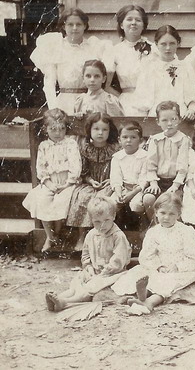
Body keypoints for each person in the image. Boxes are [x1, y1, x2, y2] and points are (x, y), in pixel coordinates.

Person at [112, 192, 195, 315]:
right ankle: (142, 295)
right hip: (159, 266)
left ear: (179, 214)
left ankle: (150, 302)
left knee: (167, 283)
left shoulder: (186, 232)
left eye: (171, 214)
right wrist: (158, 266)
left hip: (181, 269)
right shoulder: (153, 233)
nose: (166, 217)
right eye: (163, 213)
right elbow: (147, 255)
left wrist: (177, 267)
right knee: (138, 274)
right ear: (156, 212)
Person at [45, 198, 131, 312]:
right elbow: (85, 255)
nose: (102, 225)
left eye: (106, 220)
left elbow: (119, 259)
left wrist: (105, 272)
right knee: (77, 285)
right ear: (91, 220)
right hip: (94, 271)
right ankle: (58, 298)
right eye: (97, 222)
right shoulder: (91, 234)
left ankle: (65, 303)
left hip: (112, 274)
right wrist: (88, 267)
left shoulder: (118, 236)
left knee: (89, 290)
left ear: (114, 216)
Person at [30, 7, 110, 114]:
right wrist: (53, 109)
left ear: (85, 26)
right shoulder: (56, 47)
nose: (74, 28)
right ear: (63, 26)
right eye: (70, 24)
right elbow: (49, 82)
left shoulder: (93, 46)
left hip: (89, 99)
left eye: (79, 24)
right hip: (65, 101)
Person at [22, 109, 81, 252]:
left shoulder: (71, 144)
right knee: (40, 199)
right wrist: (48, 182)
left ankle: (58, 231)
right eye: (53, 129)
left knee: (61, 201)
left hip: (67, 182)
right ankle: (50, 236)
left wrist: (68, 183)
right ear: (46, 129)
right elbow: (40, 167)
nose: (58, 133)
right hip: (50, 181)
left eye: (62, 129)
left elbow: (76, 164)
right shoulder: (44, 146)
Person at [61, 113, 119, 251]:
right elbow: (83, 171)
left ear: (110, 131)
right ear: (89, 130)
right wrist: (90, 180)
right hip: (89, 183)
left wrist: (111, 180)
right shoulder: (85, 148)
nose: (100, 133)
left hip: (109, 183)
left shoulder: (115, 148)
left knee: (102, 200)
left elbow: (119, 169)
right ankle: (82, 236)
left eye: (105, 129)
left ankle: (102, 236)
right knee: (83, 197)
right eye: (96, 129)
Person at [136, 25, 195, 120]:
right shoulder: (149, 68)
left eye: (172, 43)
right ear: (156, 44)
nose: (168, 48)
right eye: (163, 44)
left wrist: (192, 110)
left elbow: (194, 94)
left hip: (181, 116)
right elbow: (142, 99)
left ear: (178, 43)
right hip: (156, 117)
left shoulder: (185, 67)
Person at [104, 5, 155, 116]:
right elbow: (106, 85)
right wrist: (123, 98)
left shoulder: (154, 49)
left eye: (138, 20)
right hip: (128, 102)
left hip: (154, 100)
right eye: (129, 19)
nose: (133, 23)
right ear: (121, 25)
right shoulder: (114, 51)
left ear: (143, 25)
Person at [141, 101, 191, 214]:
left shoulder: (183, 140)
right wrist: (153, 183)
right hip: (158, 180)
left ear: (179, 119)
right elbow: (151, 165)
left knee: (173, 201)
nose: (169, 124)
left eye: (173, 119)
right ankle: (154, 225)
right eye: (164, 120)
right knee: (148, 198)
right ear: (158, 122)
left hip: (177, 182)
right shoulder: (155, 140)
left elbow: (183, 167)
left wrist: (175, 185)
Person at [109, 120, 149, 231]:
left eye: (133, 137)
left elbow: (144, 179)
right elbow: (116, 177)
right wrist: (118, 192)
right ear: (119, 140)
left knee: (136, 204)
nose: (128, 140)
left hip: (138, 189)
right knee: (112, 203)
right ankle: (114, 227)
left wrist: (132, 193)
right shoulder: (117, 157)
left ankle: (143, 223)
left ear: (140, 140)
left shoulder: (144, 156)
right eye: (125, 137)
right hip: (122, 188)